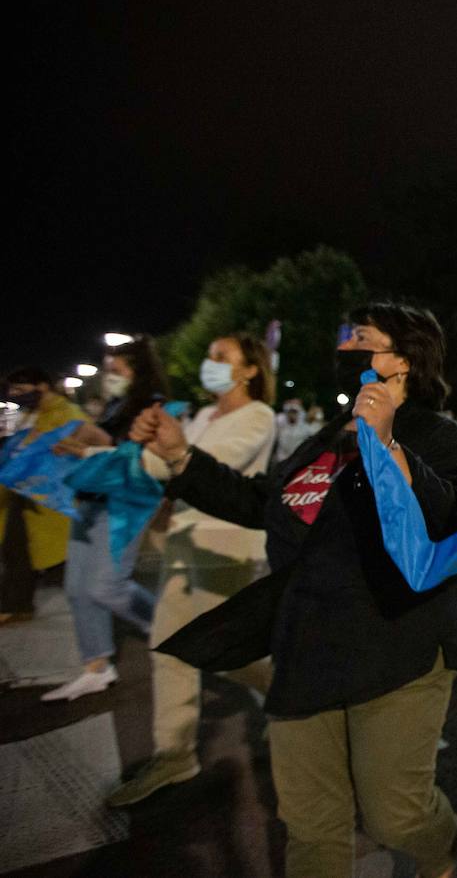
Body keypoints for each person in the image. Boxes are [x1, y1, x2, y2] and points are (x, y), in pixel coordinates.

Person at [133, 302, 457, 878]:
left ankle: (440, 848)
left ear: (401, 361)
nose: (344, 348)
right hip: (305, 646)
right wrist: (179, 456)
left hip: (398, 647)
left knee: (394, 815)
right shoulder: (321, 440)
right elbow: (260, 503)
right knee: (312, 826)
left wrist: (389, 445)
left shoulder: (435, 432)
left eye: (361, 338)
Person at [106, 333, 278, 807]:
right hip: (185, 542)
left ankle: (294, 689)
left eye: (222, 357)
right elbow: (161, 468)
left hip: (225, 546)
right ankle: (175, 753)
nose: (211, 363)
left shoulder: (258, 416)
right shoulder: (203, 415)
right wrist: (137, 448)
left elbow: (212, 468)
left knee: (224, 650)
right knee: (169, 646)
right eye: (210, 354)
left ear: (249, 371)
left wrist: (166, 451)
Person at [41, 337, 167, 702]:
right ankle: (95, 668)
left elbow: (141, 458)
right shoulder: (116, 405)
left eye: (117, 369)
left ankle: (169, 626)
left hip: (126, 502)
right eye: (108, 368)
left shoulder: (154, 406)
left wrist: (93, 444)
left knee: (106, 586)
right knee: (78, 587)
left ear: (138, 369)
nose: (110, 375)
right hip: (92, 499)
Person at [0, 367, 88, 625]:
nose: (15, 394)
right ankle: (17, 603)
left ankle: (18, 603)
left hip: (49, 493)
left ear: (42, 386)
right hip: (25, 491)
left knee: (48, 553)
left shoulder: (68, 414)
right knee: (16, 548)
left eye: (20, 389)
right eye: (12, 390)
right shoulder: (30, 414)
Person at [274, 398, 314, 464]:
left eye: (294, 412)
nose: (292, 414)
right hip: (281, 459)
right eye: (290, 412)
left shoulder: (305, 427)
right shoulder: (280, 423)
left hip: (297, 460)